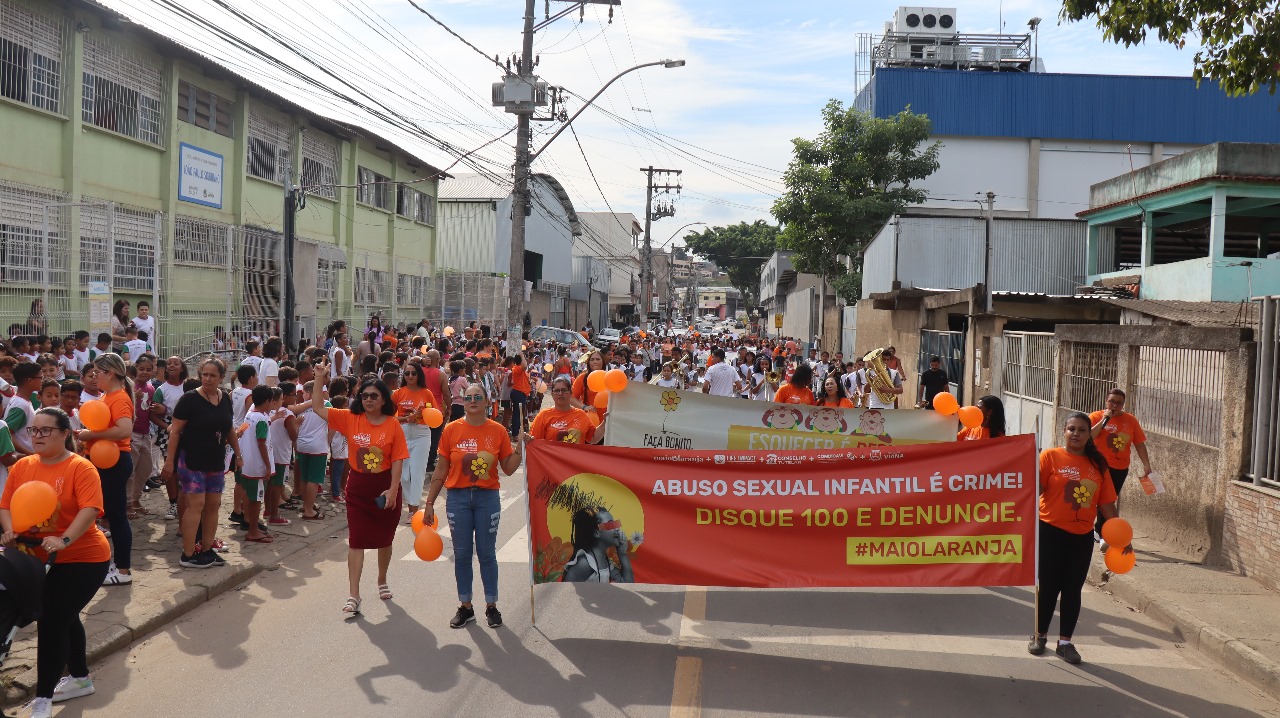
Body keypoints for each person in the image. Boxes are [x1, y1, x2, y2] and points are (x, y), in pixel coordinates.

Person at [0, 408, 113, 717]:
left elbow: (90, 509)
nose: (37, 436)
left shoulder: (80, 467)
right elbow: (7, 504)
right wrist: (9, 530)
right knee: (64, 615)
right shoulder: (23, 466)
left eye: (45, 430)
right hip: (37, 559)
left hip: (83, 558)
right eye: (33, 430)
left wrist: (63, 539)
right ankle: (79, 678)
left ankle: (43, 698)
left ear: (65, 433)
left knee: (52, 622)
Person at [1031, 412, 1131, 665]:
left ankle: (1065, 642)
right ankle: (1039, 635)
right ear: (1064, 432)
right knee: (1049, 587)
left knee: (1072, 589)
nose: (1076, 434)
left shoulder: (1098, 465)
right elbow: (1036, 490)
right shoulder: (1050, 457)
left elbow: (1107, 504)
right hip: (1050, 530)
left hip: (1081, 536)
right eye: (1071, 429)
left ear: (1090, 435)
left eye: (1082, 430)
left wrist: (1121, 535)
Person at [310, 363, 408, 617]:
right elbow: (318, 407)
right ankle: (354, 594)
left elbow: (397, 459)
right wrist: (320, 377)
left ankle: (382, 579)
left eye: (374, 395)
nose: (368, 399)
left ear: (384, 398)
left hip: (385, 486)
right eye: (364, 395)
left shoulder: (393, 425)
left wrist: (393, 489)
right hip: (358, 488)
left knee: (385, 537)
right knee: (356, 540)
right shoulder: (350, 418)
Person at [423, 383, 521, 629]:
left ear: (487, 401)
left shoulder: (497, 431)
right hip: (457, 498)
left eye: (478, 397)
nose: (473, 400)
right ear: (463, 402)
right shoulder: (451, 430)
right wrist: (430, 502)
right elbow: (442, 468)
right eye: (468, 397)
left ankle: (491, 606)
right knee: (463, 555)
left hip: (487, 498)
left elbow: (508, 469)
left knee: (487, 554)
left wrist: (521, 448)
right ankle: (466, 607)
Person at [164, 358, 237, 568]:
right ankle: (188, 553)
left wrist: (238, 455)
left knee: (213, 505)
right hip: (191, 461)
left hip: (215, 460)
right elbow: (175, 431)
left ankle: (206, 550)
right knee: (196, 505)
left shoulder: (224, 398)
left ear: (221, 377)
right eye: (204, 374)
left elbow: (229, 428)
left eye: (213, 375)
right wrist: (169, 461)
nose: (207, 378)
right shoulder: (189, 399)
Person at [74, 353, 134, 586]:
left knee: (116, 517)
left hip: (114, 463)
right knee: (109, 516)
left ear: (110, 373)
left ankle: (123, 570)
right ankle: (111, 563)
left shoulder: (118, 398)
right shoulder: (108, 395)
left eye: (98, 372)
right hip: (105, 461)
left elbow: (124, 430)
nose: (94, 376)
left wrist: (92, 435)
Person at [1089, 388, 1152, 539]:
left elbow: (1139, 444)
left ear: (1123, 404)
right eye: (1112, 402)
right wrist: (1104, 420)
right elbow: (1089, 436)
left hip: (1120, 467)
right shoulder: (1096, 416)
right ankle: (1098, 530)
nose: (1114, 405)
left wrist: (1146, 465)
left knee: (1109, 499)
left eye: (1119, 403)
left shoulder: (1131, 421)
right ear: (1106, 402)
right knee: (1097, 497)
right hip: (1099, 465)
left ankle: (1100, 530)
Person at [393, 363, 437, 520]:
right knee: (404, 475)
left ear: (419, 375)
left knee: (417, 473)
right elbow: (389, 417)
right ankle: (410, 506)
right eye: (407, 373)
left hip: (421, 434)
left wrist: (421, 415)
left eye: (413, 373)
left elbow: (435, 415)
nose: (410, 376)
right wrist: (406, 418)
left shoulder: (427, 393)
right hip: (403, 434)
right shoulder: (398, 394)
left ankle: (414, 510)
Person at [562, 507, 635, 583]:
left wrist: (622, 554)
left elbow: (627, 583)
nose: (617, 529)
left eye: (615, 524)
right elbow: (564, 593)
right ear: (596, 533)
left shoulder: (605, 561)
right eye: (611, 525)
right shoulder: (584, 564)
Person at [524, 377, 598, 444]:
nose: (560, 393)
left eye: (564, 390)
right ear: (552, 394)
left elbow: (593, 438)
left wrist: (606, 421)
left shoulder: (581, 415)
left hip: (575, 459)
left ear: (571, 393)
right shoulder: (543, 415)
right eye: (556, 391)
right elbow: (534, 444)